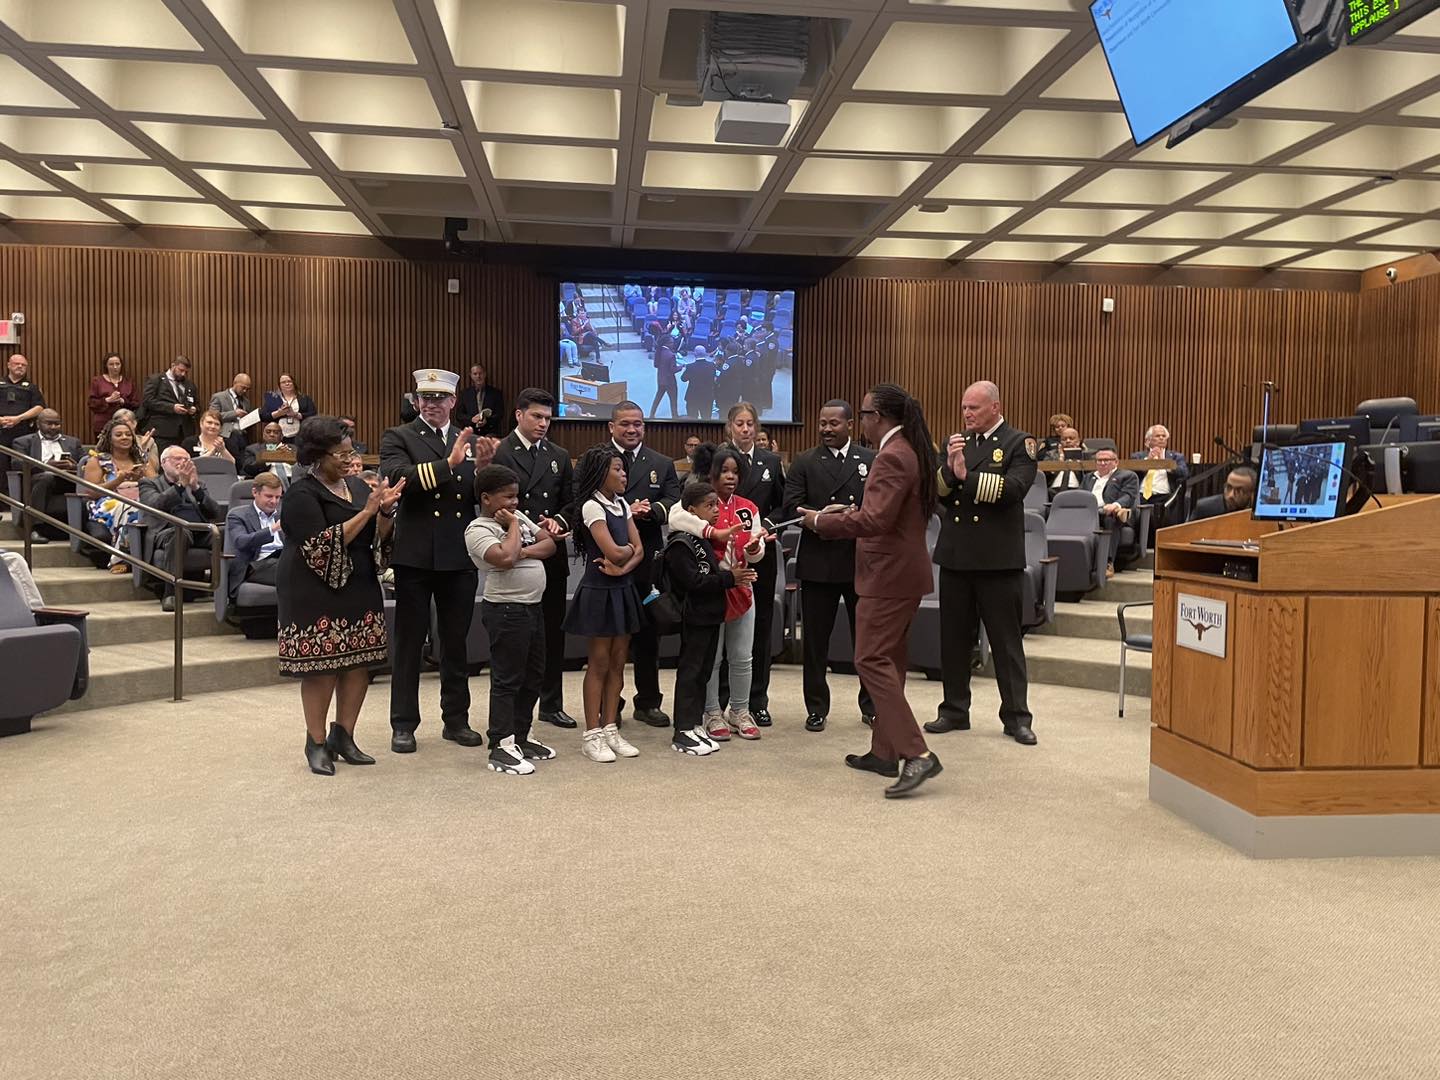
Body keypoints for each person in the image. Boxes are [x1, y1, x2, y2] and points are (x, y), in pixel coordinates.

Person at [800, 383, 942, 798]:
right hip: (901, 573)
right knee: (891, 661)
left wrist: (819, 522)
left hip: (887, 576)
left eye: (862, 414)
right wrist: (853, 513)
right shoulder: (906, 450)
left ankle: (917, 753)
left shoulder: (893, 456)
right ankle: (884, 751)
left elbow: (875, 522)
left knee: (870, 659)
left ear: (877, 418)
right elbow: (884, 515)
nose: (860, 420)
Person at [379, 369, 497, 753]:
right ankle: (403, 723)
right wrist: (450, 462)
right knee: (409, 642)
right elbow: (401, 478)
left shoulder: (471, 440)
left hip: (458, 555)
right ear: (415, 403)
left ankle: (456, 720)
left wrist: (486, 471)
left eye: (439, 398)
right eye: (424, 399)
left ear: (452, 401)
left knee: (455, 643)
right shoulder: (398, 437)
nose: (431, 404)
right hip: (414, 556)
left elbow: (483, 497)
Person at [278, 416, 403, 776]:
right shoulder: (301, 494)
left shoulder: (357, 488)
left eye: (352, 452)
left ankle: (343, 735)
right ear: (318, 456)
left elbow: (375, 538)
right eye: (341, 454)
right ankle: (315, 742)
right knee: (322, 668)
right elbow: (320, 546)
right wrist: (367, 512)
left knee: (358, 662)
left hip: (358, 583)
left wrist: (385, 511)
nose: (350, 460)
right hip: (312, 587)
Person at [924, 380, 1039, 747]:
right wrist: (950, 471)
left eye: (973, 408)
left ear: (995, 407)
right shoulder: (956, 442)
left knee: (1006, 644)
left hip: (996, 559)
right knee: (954, 641)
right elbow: (938, 491)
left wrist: (965, 477)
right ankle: (954, 710)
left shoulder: (1019, 443)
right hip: (957, 555)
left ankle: (1017, 717)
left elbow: (1015, 490)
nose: (967, 414)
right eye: (964, 408)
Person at [782, 399, 876, 732]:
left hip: (858, 562)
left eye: (833, 423)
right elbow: (791, 505)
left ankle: (871, 706)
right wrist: (822, 517)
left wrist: (851, 517)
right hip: (818, 561)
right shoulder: (806, 461)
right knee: (815, 642)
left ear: (850, 424)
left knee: (865, 641)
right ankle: (816, 707)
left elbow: (878, 506)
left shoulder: (870, 460)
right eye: (822, 423)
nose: (826, 429)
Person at [490, 388, 577, 729]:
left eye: (547, 418)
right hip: (516, 551)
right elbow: (492, 503)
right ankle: (513, 711)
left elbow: (570, 501)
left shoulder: (558, 454)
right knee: (516, 637)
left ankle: (551, 702)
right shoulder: (501, 452)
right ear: (518, 415)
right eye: (537, 417)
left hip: (551, 555)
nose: (543, 424)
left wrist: (560, 521)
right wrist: (528, 528)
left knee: (552, 632)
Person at [464, 464, 559, 775]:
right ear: (487, 498)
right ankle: (500, 744)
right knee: (507, 680)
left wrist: (522, 550)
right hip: (506, 610)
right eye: (508, 498)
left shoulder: (518, 519)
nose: (514, 504)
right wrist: (516, 533)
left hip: (533, 607)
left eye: (517, 497)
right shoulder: (478, 529)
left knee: (534, 675)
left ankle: (521, 735)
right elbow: (502, 559)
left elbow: (549, 544)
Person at [668, 444, 767, 741]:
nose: (730, 477)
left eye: (735, 471)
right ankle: (711, 711)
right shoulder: (698, 501)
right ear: (711, 472)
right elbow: (675, 519)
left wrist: (754, 549)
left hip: (742, 588)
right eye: (724, 470)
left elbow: (757, 551)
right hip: (711, 591)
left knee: (741, 656)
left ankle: (740, 709)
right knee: (711, 658)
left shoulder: (749, 508)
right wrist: (715, 533)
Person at [563, 445, 644, 763]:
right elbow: (616, 549)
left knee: (618, 663)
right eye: (617, 469)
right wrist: (624, 554)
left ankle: (611, 728)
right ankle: (592, 734)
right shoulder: (591, 507)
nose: (624, 474)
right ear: (600, 473)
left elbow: (637, 551)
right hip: (599, 591)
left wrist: (623, 564)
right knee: (597, 664)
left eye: (624, 469)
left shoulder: (621, 503)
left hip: (622, 587)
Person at [604, 401, 681, 727]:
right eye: (625, 424)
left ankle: (648, 702)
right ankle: (611, 704)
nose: (632, 429)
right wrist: (624, 511)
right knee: (611, 638)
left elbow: (673, 501)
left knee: (649, 637)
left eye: (637, 424)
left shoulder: (661, 463)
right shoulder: (598, 460)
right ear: (612, 427)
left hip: (648, 562)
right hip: (609, 559)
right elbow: (582, 499)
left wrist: (651, 510)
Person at [722, 402, 785, 726]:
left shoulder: (771, 462)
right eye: (739, 424)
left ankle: (756, 700)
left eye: (750, 424)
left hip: (761, 552)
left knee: (759, 627)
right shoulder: (719, 459)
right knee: (723, 625)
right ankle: (720, 700)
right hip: (724, 554)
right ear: (730, 426)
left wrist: (762, 526)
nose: (745, 430)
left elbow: (783, 504)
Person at [140, 445, 224, 612]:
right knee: (181, 531)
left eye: (186, 459)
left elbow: (215, 511)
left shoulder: (197, 484)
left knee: (224, 532)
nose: (183, 463)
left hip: (199, 530)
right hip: (167, 531)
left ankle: (224, 590)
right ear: (164, 463)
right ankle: (170, 593)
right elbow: (157, 505)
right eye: (178, 459)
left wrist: (196, 490)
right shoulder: (149, 483)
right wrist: (179, 485)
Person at [84, 417, 157, 573]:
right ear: (110, 439)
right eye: (119, 435)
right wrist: (118, 480)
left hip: (139, 499)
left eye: (128, 434)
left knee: (148, 507)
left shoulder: (142, 460)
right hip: (107, 503)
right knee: (130, 509)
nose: (124, 437)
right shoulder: (97, 461)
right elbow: (91, 492)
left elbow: (156, 485)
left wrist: (141, 478)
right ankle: (121, 558)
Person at [14, 408, 82, 543]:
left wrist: (74, 466)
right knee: (47, 477)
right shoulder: (23, 442)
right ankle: (34, 529)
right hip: (39, 480)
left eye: (57, 424)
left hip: (68, 480)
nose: (53, 427)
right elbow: (17, 464)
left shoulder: (73, 442)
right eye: (49, 424)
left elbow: (86, 462)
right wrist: (45, 465)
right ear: (38, 424)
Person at [225, 471, 284, 595]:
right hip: (255, 566)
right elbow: (241, 542)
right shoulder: (237, 515)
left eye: (277, 497)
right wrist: (272, 529)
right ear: (255, 493)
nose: (274, 501)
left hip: (283, 559)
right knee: (292, 570)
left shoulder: (283, 515)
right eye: (269, 496)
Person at [1132, 424, 1189, 542]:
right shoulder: (1138, 456)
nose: (1161, 438)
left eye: (1164, 436)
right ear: (1148, 440)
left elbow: (1184, 472)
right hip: (1141, 496)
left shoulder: (1176, 456)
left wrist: (1166, 464)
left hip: (1165, 498)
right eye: (1158, 436)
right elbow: (1132, 473)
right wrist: (1148, 461)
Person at [1088, 448, 1140, 576]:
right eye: (1099, 460)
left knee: (1110, 518)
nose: (1103, 463)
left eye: (1107, 460)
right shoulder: (1089, 477)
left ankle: (1107, 562)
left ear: (1116, 462)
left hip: (1115, 513)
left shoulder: (1127, 476)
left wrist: (1115, 505)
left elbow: (1128, 496)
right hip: (1090, 512)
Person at [0, 353, 45, 492]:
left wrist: (18, 418)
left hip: (23, 434)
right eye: (16, 363)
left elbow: (39, 407)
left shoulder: (31, 387)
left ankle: (20, 499)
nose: (20, 366)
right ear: (8, 365)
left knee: (21, 466)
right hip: (1, 432)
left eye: (23, 365)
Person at [141, 355, 200, 455]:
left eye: (186, 372)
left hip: (185, 432)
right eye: (181, 370)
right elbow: (148, 401)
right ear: (173, 365)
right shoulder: (156, 380)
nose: (183, 374)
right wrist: (171, 408)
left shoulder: (189, 385)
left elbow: (197, 405)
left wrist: (194, 410)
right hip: (163, 432)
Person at [88, 352, 139, 438]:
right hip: (103, 424)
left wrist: (123, 401)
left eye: (117, 364)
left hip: (125, 425)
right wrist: (108, 400)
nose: (115, 367)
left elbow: (136, 403)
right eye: (111, 364)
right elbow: (91, 403)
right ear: (106, 366)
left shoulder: (128, 382)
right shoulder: (97, 381)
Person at [260, 373, 315, 444]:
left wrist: (295, 415)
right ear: (279, 386)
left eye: (289, 381)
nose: (287, 384)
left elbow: (313, 415)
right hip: (277, 437)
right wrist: (278, 413)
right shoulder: (273, 399)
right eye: (283, 382)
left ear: (293, 383)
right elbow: (263, 416)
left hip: (299, 437)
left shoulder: (304, 398)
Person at [209, 373, 253, 459]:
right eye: (243, 387)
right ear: (235, 383)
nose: (244, 391)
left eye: (247, 389)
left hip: (242, 435)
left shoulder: (246, 401)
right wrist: (234, 413)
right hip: (227, 435)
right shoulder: (219, 397)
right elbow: (212, 416)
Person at [1189, 465, 1258, 521]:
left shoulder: (1260, 514)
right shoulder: (1204, 508)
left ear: (1252, 494)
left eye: (1239, 491)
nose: (1231, 495)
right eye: (1229, 488)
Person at [457, 364, 504, 438]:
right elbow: (459, 415)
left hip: (490, 433)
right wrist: (471, 419)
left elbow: (500, 414)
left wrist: (487, 421)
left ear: (485, 374)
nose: (478, 376)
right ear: (471, 376)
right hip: (470, 433)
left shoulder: (496, 393)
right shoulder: (464, 394)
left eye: (480, 373)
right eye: (475, 374)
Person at [1046, 427, 1088, 493]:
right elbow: (1047, 473)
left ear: (1078, 442)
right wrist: (1061, 457)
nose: (1068, 441)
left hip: (1078, 489)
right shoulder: (1051, 454)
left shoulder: (1085, 455)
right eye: (1064, 439)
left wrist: (1076, 458)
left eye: (1071, 438)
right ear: (1060, 442)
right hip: (1053, 490)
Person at [681, 347, 716, 421]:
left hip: (693, 397)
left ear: (695, 353)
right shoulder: (712, 365)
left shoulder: (690, 367)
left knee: (692, 419)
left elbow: (683, 379)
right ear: (705, 353)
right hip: (707, 397)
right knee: (707, 419)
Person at [650, 339, 680, 418]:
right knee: (673, 400)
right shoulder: (671, 355)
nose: (673, 344)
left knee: (658, 398)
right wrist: (681, 367)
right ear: (667, 343)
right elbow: (673, 370)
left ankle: (652, 414)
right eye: (672, 342)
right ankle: (675, 416)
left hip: (661, 379)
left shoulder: (658, 352)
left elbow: (656, 365)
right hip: (670, 381)